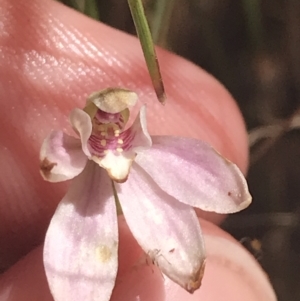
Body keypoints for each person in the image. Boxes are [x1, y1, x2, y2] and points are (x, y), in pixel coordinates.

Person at [0, 0, 276, 300]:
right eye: (101, 123)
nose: (109, 132)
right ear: (83, 125)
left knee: (184, 261)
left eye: (117, 121)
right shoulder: (63, 153)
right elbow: (52, 159)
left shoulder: (153, 157)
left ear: (130, 121)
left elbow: (226, 190)